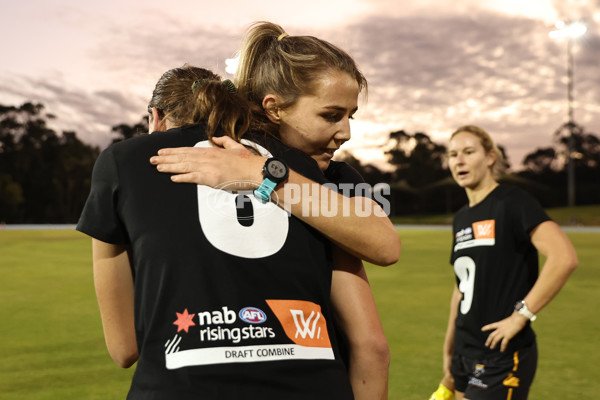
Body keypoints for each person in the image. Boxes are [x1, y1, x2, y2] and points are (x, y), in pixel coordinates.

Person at [79, 62, 390, 398]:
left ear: (156, 117)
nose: (344, 131)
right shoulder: (304, 168)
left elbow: (125, 348)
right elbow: (372, 340)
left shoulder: (124, 160)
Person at [150, 22, 398, 399]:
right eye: (332, 115)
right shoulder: (327, 182)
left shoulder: (220, 162)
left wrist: (261, 174)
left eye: (351, 116)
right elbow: (373, 344)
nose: (347, 131)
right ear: (275, 107)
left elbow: (384, 244)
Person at [437, 125, 578, 400]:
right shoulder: (461, 218)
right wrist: (449, 348)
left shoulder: (513, 202)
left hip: (501, 355)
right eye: (453, 154)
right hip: (464, 353)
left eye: (468, 152)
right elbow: (461, 289)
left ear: (490, 157)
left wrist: (520, 317)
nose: (459, 161)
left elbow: (564, 258)